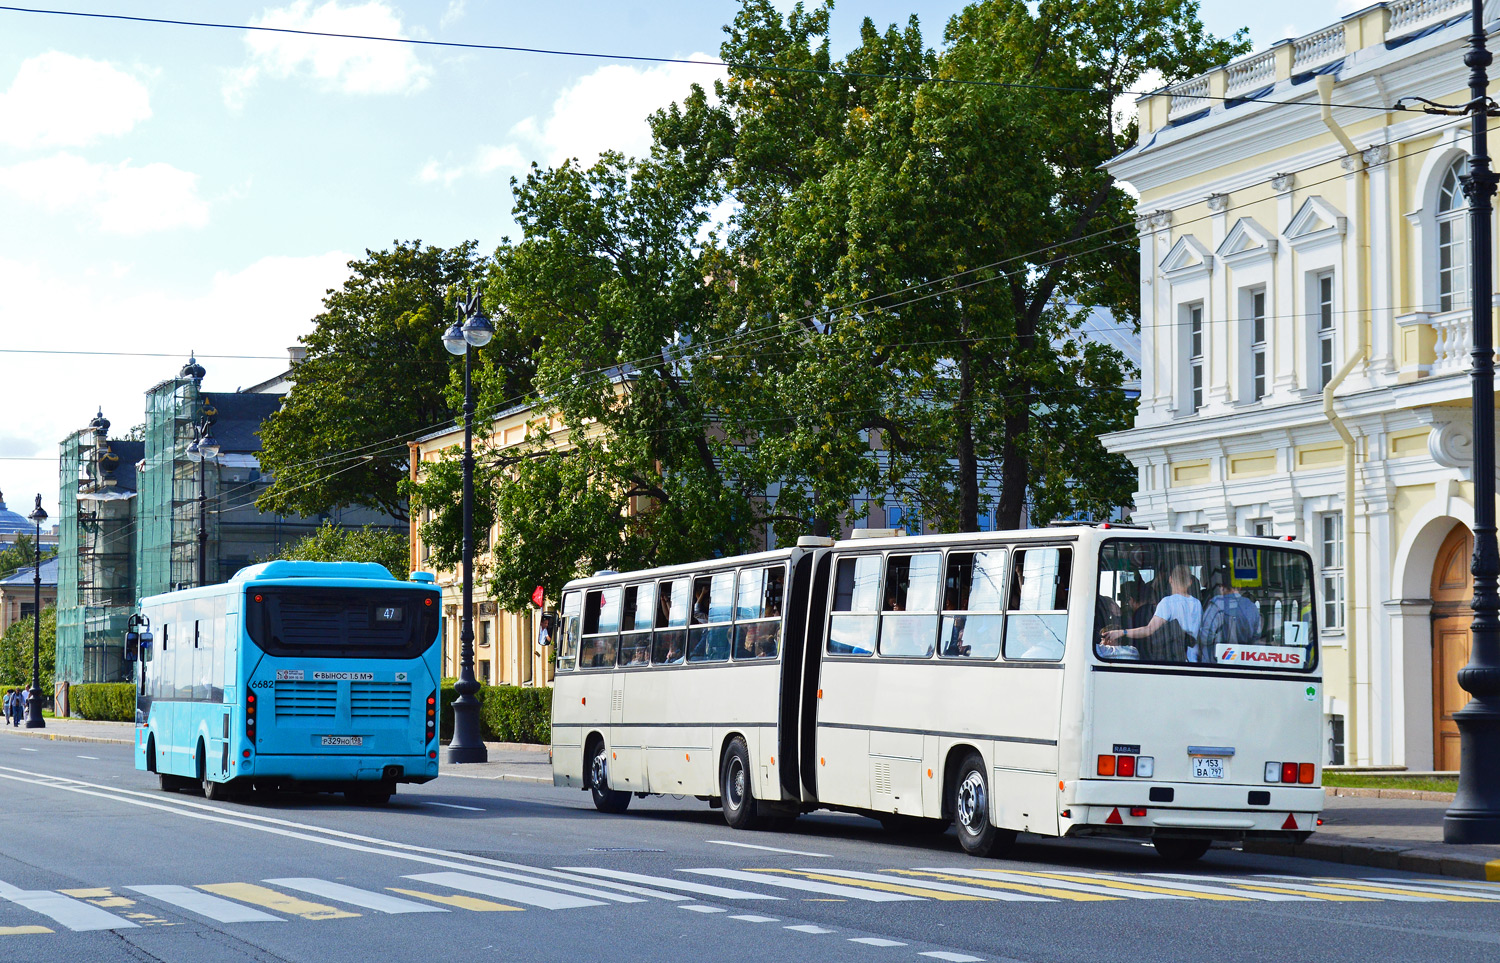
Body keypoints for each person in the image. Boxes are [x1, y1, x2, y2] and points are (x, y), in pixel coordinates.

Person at [1101, 563, 1201, 662]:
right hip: (1194, 660)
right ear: (1190, 582)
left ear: (1170, 579)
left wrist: (1122, 632)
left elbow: (1148, 630)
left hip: (1175, 659)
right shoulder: (1197, 604)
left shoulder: (1168, 602)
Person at [1196, 570, 1263, 662]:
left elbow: (1205, 638)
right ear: (1239, 586)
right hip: (1243, 662)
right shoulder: (1252, 607)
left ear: (1221, 587)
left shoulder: (1217, 605)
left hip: (1217, 663)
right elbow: (1257, 636)